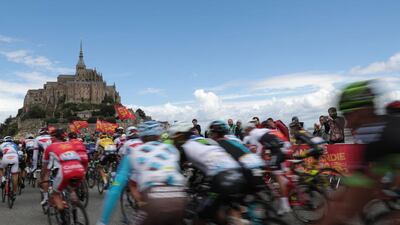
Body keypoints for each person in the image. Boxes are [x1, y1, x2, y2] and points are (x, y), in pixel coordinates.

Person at [322, 80, 400, 225]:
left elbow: (354, 198)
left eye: (348, 115)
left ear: (363, 111)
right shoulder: (384, 126)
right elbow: (366, 176)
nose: (349, 123)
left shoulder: (377, 135)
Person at [97, 121, 186, 225]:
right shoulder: (171, 149)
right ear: (159, 135)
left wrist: (103, 221)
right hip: (179, 199)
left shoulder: (134, 152)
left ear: (141, 137)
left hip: (154, 202)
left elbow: (115, 190)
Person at [168, 121, 247, 225]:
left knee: (201, 215)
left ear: (180, 135)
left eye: (175, 138)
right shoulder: (206, 140)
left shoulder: (185, 147)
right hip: (238, 174)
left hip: (221, 179)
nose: (174, 141)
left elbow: (176, 171)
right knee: (229, 212)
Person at [242, 123, 292, 215]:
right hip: (283, 145)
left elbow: (256, 151)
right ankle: (285, 185)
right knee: (276, 171)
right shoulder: (261, 131)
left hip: (279, 149)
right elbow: (263, 148)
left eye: (245, 131)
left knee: (277, 174)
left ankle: (285, 205)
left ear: (248, 130)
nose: (245, 134)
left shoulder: (253, 134)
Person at [41, 128, 85, 225]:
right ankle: (75, 217)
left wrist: (42, 178)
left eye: (51, 136)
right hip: (79, 168)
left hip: (65, 170)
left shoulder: (50, 147)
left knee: (55, 194)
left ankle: (64, 221)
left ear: (55, 137)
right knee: (72, 191)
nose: (50, 138)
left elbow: (45, 167)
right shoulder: (70, 144)